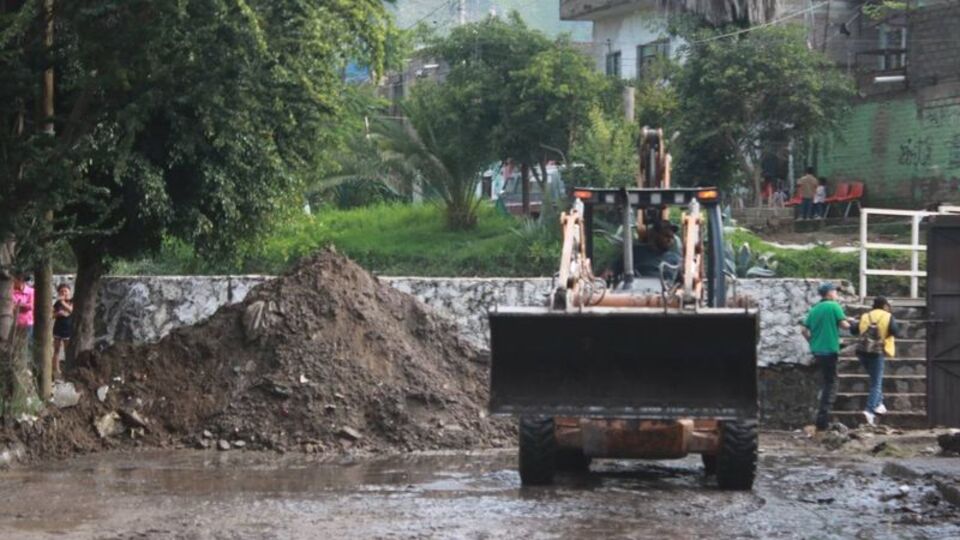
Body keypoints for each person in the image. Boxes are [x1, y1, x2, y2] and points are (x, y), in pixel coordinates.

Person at [801, 282, 853, 431]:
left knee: (825, 382)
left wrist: (812, 342)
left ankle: (821, 418)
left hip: (817, 350)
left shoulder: (815, 309)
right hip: (829, 349)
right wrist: (855, 323)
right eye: (835, 291)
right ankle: (822, 421)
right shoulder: (833, 306)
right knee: (831, 384)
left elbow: (804, 330)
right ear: (829, 293)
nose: (837, 294)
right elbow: (845, 326)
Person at [855, 297, 898, 426]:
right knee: (876, 383)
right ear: (884, 305)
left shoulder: (865, 316)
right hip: (877, 352)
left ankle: (879, 404)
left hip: (862, 352)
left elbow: (853, 330)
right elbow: (895, 331)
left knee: (874, 379)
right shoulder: (888, 316)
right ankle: (869, 411)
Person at [52, 283, 73, 378]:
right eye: (61, 291)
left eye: (65, 291)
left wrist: (62, 302)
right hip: (58, 328)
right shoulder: (57, 303)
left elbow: (71, 310)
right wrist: (57, 314)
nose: (64, 293)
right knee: (56, 349)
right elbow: (51, 314)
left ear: (69, 292)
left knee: (67, 350)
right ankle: (56, 369)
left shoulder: (72, 301)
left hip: (68, 329)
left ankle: (68, 369)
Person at [12, 273, 34, 339]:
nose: (13, 283)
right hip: (13, 322)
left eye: (15, 281)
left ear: (21, 281)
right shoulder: (10, 291)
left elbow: (30, 306)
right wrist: (23, 305)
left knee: (26, 342)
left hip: (27, 322)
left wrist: (17, 305)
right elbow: (9, 306)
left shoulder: (31, 291)